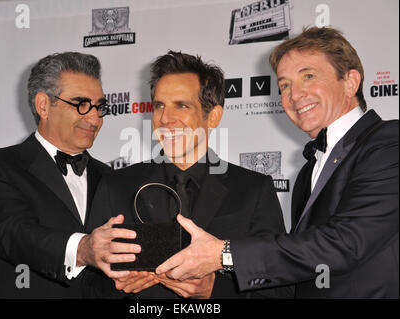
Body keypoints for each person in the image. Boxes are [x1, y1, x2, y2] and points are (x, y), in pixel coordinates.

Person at [155, 27, 399, 298]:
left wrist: (224, 254)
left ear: (351, 81)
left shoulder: (389, 142)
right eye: (284, 85)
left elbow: (346, 243)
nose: (295, 94)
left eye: (308, 76)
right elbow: (301, 265)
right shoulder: (309, 169)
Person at [108, 51, 291, 298]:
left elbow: (279, 290)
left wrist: (214, 290)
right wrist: (117, 283)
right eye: (159, 105)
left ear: (213, 116)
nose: (165, 119)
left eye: (181, 106)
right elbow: (90, 285)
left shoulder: (253, 190)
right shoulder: (118, 184)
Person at [0, 52, 139, 298]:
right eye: (82, 104)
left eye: (100, 107)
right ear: (43, 105)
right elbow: (14, 234)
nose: (95, 118)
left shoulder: (111, 177)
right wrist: (83, 249)